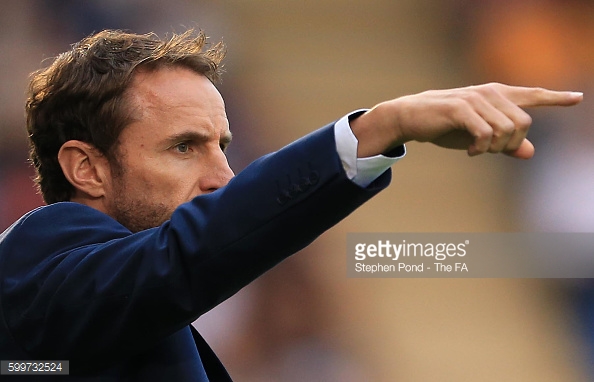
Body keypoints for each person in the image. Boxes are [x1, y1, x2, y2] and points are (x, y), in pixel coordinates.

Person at [0, 29, 582, 381]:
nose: (223, 177)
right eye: (184, 148)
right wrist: (381, 128)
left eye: (222, 148)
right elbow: (185, 256)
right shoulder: (39, 258)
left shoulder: (120, 316)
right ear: (87, 168)